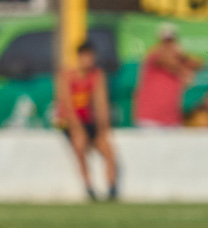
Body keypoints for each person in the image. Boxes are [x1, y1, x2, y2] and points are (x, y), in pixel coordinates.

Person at [57, 40, 118, 201]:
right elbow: (67, 106)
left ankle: (111, 189)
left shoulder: (97, 75)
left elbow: (101, 102)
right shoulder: (67, 75)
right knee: (80, 145)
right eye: (85, 57)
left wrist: (103, 127)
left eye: (91, 57)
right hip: (71, 122)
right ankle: (88, 187)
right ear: (79, 57)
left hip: (89, 121)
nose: (89, 60)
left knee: (109, 151)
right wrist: (78, 128)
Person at [132, 25, 202, 129]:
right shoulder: (154, 55)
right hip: (150, 119)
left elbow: (198, 64)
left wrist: (183, 57)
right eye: (165, 41)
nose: (168, 45)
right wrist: (183, 66)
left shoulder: (180, 59)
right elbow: (166, 61)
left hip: (172, 119)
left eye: (171, 41)